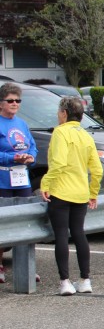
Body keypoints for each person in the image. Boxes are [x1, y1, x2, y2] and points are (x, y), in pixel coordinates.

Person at [40, 97, 102, 296]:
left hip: (60, 191)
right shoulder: (86, 136)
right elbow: (97, 170)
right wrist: (93, 193)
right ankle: (85, 280)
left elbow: (58, 163)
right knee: (79, 234)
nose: (58, 115)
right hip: (81, 193)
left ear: (64, 113)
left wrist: (45, 183)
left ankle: (65, 282)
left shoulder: (60, 132)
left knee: (61, 235)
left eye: (59, 112)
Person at [0, 82, 38, 284]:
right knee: (3, 224)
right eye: (10, 101)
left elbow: (32, 147)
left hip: (22, 181)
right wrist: (12, 158)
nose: (15, 103)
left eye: (18, 100)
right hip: (3, 180)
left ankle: (28, 266)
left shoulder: (22, 124)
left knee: (27, 222)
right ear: (1, 103)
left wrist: (30, 157)